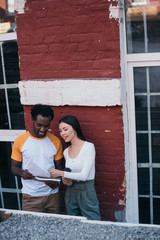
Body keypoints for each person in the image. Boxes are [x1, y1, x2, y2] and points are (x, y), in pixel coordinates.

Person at [11, 104, 64, 213]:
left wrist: (57, 181)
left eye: (46, 126)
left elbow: (60, 169)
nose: (43, 129)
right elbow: (14, 168)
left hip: (52, 196)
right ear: (32, 120)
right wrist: (21, 173)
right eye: (39, 125)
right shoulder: (20, 141)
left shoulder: (56, 141)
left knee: (55, 228)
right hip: (30, 197)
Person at [48, 115, 101, 220]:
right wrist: (65, 179)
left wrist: (61, 173)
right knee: (74, 222)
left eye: (65, 129)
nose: (62, 133)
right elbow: (70, 173)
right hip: (71, 190)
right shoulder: (66, 151)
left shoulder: (88, 147)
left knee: (92, 222)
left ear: (75, 129)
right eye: (60, 130)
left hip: (86, 190)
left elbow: (84, 176)